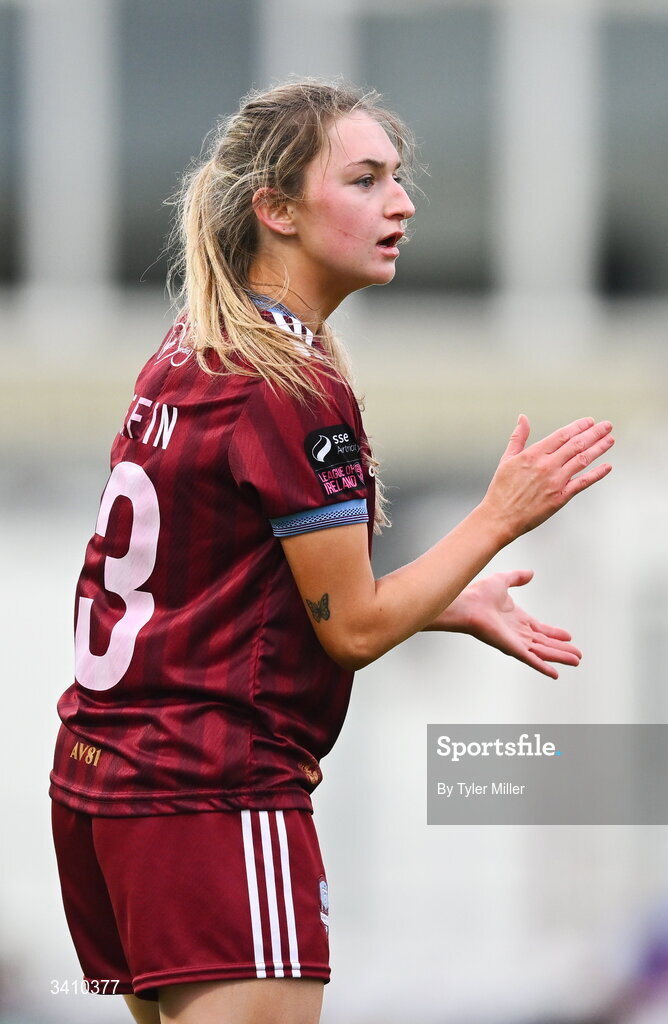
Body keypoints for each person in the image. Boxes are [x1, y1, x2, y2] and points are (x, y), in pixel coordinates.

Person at [49, 79, 614, 1024]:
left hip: (103, 789)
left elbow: (222, 585)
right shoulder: (291, 383)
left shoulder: (190, 351)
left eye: (396, 179)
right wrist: (499, 517)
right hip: (218, 799)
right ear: (275, 208)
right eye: (364, 180)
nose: (401, 203)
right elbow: (349, 631)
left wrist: (440, 598)